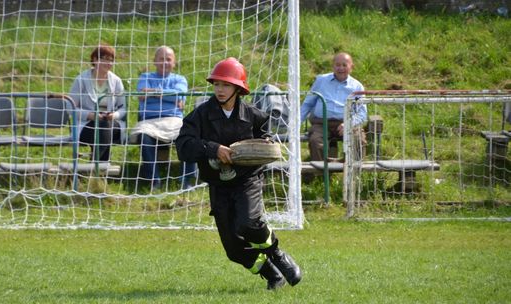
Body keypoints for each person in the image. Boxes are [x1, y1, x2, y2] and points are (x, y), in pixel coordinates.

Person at [176, 57, 302, 290]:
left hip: (247, 180)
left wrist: (264, 146)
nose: (220, 90)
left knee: (249, 223)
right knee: (233, 250)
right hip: (218, 185)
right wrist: (213, 149)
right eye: (216, 84)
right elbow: (183, 146)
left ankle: (277, 254)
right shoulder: (200, 115)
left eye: (225, 85)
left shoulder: (255, 115)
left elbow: (265, 141)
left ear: (238, 89)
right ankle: (272, 275)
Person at [134, 46, 197, 189]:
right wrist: (170, 96)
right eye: (161, 59)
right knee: (143, 137)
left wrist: (153, 93)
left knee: (190, 136)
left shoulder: (180, 79)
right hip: (149, 121)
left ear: (174, 63)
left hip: (173, 120)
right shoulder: (145, 77)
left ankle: (186, 181)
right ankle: (154, 181)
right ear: (154, 61)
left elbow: (180, 96)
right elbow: (142, 95)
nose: (164, 62)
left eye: (168, 59)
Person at [300, 52, 367, 161]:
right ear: (333, 66)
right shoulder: (321, 80)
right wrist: (296, 124)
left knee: (359, 140)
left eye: (344, 65)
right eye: (338, 65)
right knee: (315, 141)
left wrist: (349, 123)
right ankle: (321, 172)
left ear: (351, 67)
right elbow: (308, 103)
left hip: (346, 122)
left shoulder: (357, 86)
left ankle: (353, 172)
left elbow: (362, 113)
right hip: (322, 123)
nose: (341, 68)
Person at [70, 44, 126, 162]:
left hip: (111, 123)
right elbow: (70, 107)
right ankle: (99, 171)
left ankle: (94, 168)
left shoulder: (116, 81)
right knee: (103, 128)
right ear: (95, 59)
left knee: (105, 126)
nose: (109, 63)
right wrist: (91, 115)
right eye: (105, 59)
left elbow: (123, 108)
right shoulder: (81, 80)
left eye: (111, 60)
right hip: (86, 125)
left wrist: (114, 115)